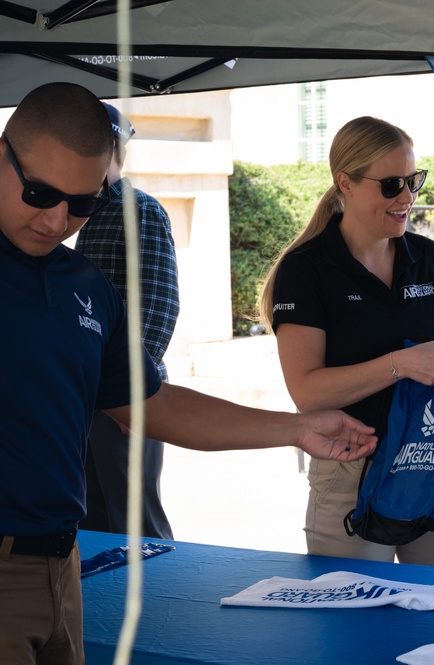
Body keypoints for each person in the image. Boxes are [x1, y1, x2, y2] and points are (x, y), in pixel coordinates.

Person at [0, 82, 378, 665]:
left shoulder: (85, 284)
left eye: (83, 204)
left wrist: (295, 428)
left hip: (62, 569)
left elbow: (154, 405)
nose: (57, 220)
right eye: (38, 192)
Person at [258, 116, 434, 569]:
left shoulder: (426, 258)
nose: (408, 198)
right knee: (355, 630)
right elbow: (306, 391)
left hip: (431, 462)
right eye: (392, 184)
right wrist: (400, 363)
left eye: (414, 181)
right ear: (347, 183)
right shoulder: (308, 269)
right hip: (349, 466)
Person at [75, 102, 178, 539]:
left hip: (126, 401)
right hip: (89, 397)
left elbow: (158, 307)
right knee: (93, 522)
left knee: (138, 528)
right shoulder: (86, 211)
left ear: (111, 146)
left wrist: (130, 394)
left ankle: (160, 607)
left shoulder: (141, 210)